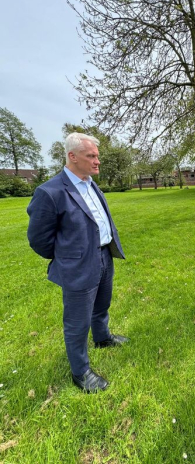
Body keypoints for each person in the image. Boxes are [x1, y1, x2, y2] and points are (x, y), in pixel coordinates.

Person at [27, 132, 127, 393]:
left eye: (97, 156)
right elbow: (39, 239)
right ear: (72, 157)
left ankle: (103, 337)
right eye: (91, 156)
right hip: (78, 265)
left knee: (102, 304)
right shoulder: (49, 192)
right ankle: (80, 372)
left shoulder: (90, 183)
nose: (97, 162)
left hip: (104, 255)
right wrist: (68, 257)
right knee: (77, 321)